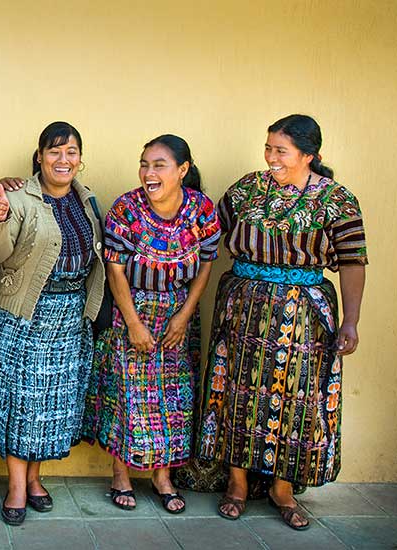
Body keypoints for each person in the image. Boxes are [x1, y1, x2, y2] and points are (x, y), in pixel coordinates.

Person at [196, 114, 367, 530]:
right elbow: (206, 228)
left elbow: (352, 260)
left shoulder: (335, 199)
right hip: (244, 308)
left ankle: (283, 489)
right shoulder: (248, 189)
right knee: (236, 391)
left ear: (310, 155)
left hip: (305, 316)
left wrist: (350, 321)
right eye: (268, 147)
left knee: (297, 399)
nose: (271, 157)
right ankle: (236, 484)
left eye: (281, 150)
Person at [82, 135, 220, 514]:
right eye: (145, 164)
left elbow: (206, 262)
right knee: (129, 395)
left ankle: (163, 477)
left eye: (159, 164)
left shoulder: (201, 209)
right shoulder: (127, 208)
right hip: (133, 309)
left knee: (174, 398)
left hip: (177, 312)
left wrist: (185, 314)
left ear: (183, 170)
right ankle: (121, 474)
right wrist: (133, 323)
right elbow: (115, 268)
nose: (149, 172)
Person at [0, 121, 105, 525]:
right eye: (54, 151)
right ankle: (17, 487)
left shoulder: (87, 201)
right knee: (21, 401)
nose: (63, 159)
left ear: (80, 159)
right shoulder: (18, 198)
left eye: (70, 152)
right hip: (24, 314)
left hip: (69, 315)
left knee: (51, 405)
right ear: (39, 157)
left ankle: (35, 479)